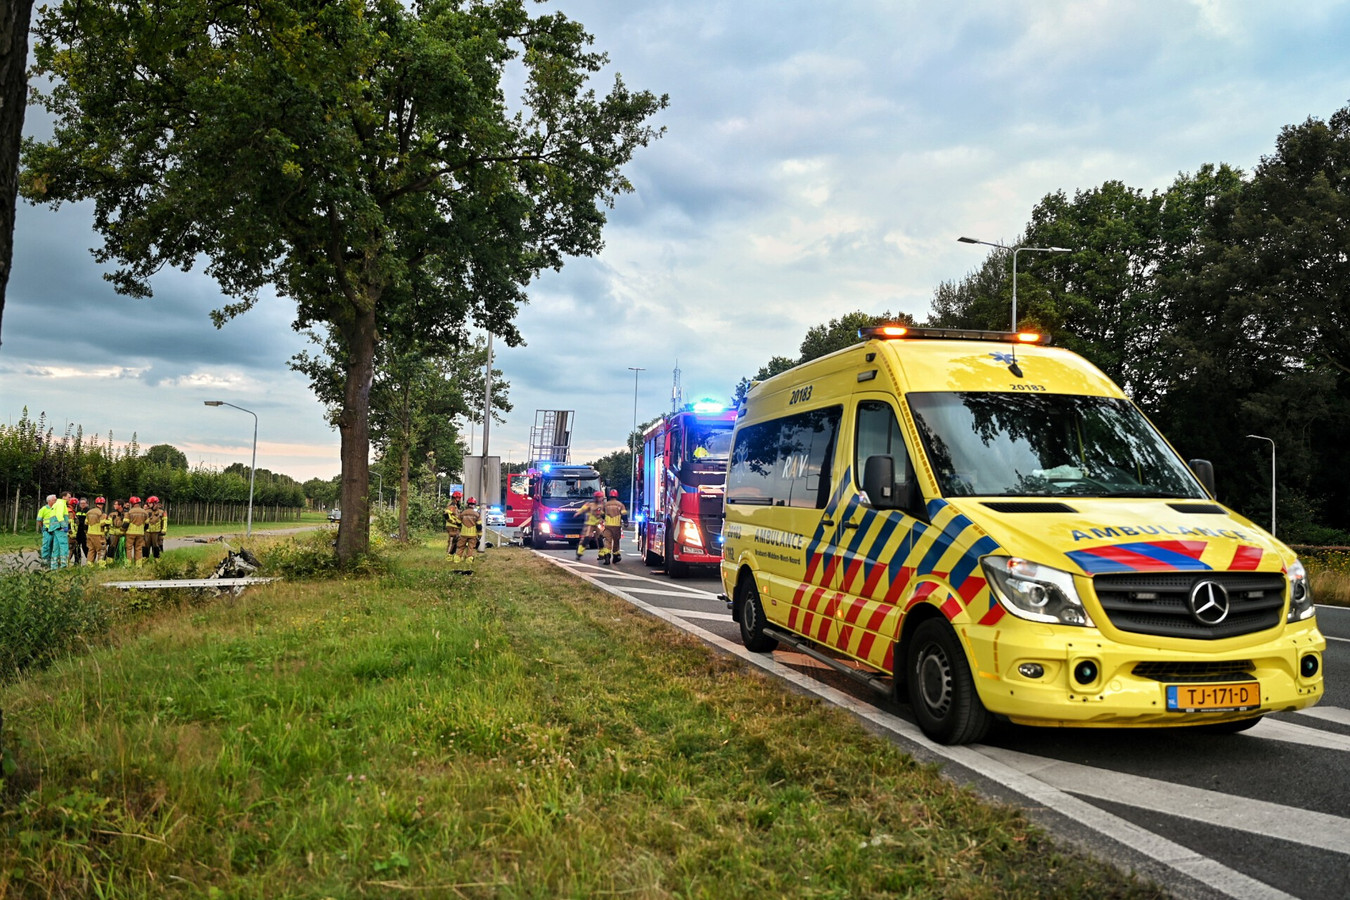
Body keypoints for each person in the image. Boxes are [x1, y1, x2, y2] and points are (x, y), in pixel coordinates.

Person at [598, 489, 628, 565]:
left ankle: (607, 556)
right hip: (617, 526)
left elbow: (601, 514)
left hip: (608, 526)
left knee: (607, 541)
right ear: (617, 495)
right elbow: (624, 515)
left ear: (610, 495)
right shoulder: (620, 505)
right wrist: (626, 523)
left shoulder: (606, 504)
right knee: (616, 541)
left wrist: (605, 519)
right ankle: (616, 556)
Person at [45, 494, 72, 569]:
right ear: (64, 497)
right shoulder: (61, 504)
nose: (70, 498)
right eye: (69, 497)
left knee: (56, 548)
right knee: (64, 546)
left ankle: (54, 566)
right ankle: (64, 565)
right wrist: (64, 526)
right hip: (60, 528)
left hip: (55, 528)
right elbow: (59, 515)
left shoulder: (57, 504)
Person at [576, 490, 604, 559]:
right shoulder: (590, 504)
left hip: (598, 524)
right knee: (586, 538)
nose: (599, 499)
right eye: (598, 497)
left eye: (600, 497)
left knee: (600, 538)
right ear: (595, 498)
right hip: (589, 524)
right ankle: (579, 552)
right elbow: (582, 509)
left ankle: (602, 554)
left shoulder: (602, 506)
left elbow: (604, 514)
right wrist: (578, 513)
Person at [123, 496, 149, 566]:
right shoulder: (145, 512)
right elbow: (147, 525)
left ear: (132, 503)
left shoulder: (129, 512)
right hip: (140, 533)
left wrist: (123, 530)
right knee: (138, 549)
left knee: (128, 549)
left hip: (130, 533)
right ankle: (138, 565)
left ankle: (128, 564)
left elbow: (126, 523)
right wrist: (142, 530)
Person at [455, 498, 481, 563]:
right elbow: (479, 526)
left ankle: (457, 559)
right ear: (474, 505)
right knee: (470, 547)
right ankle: (468, 560)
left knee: (460, 547)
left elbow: (458, 523)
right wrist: (480, 534)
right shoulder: (477, 514)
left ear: (467, 504)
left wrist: (460, 529)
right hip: (472, 534)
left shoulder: (463, 513)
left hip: (463, 533)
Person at [36, 494, 57, 566]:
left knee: (53, 546)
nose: (56, 501)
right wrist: (43, 528)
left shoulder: (56, 509)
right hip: (47, 530)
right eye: (54, 500)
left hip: (55, 530)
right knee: (46, 545)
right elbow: (39, 520)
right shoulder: (43, 509)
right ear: (49, 501)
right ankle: (45, 560)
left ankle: (51, 560)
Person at [86, 498, 107, 566]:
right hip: (98, 534)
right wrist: (109, 521)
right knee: (101, 549)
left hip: (90, 533)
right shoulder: (101, 513)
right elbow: (102, 523)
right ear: (103, 504)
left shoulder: (89, 512)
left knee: (91, 549)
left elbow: (86, 523)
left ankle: (89, 564)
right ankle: (101, 565)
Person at [444, 490, 463, 557]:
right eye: (459, 498)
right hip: (452, 526)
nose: (460, 500)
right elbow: (446, 514)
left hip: (455, 526)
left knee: (456, 540)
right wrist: (454, 521)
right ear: (456, 498)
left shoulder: (455, 505)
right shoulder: (452, 505)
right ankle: (449, 554)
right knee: (452, 540)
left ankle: (451, 554)